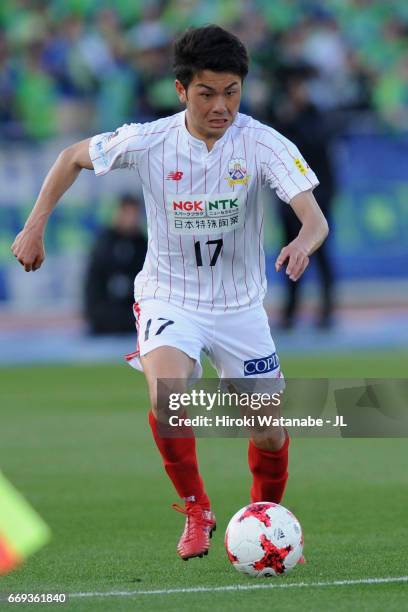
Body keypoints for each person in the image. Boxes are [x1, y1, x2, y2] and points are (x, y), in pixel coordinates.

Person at [11, 25, 328, 562]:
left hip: (239, 306)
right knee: (168, 400)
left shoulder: (263, 142)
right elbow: (70, 156)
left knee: (271, 435)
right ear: (181, 90)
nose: (222, 105)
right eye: (207, 93)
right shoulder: (150, 141)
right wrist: (34, 225)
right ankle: (197, 508)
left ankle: (262, 527)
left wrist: (303, 241)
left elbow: (315, 219)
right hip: (169, 297)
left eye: (232, 91)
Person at [270, 63, 336, 328]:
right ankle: (290, 312)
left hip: (316, 199)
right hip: (289, 201)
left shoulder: (316, 117)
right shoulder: (282, 118)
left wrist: (292, 118)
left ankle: (327, 310)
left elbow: (315, 142)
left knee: (319, 253)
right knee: (289, 254)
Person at [84, 193, 147, 335]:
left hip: (133, 315)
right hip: (105, 314)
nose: (131, 219)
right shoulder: (104, 242)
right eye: (127, 213)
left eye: (134, 214)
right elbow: (93, 281)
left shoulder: (143, 245)